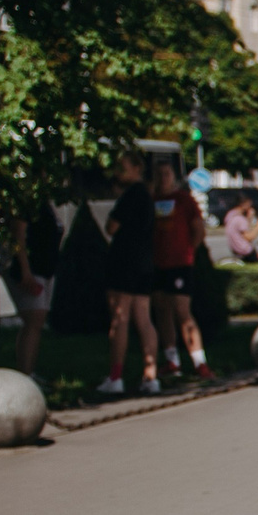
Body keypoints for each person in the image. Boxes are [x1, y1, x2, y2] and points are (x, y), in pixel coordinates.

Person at [97, 152, 161, 397]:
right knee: (143, 318)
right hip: (144, 263)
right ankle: (150, 375)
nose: (118, 173)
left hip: (124, 263)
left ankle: (115, 377)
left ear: (136, 168)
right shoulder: (146, 196)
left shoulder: (131, 195)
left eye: (122, 167)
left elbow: (111, 227)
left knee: (120, 318)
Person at [148, 161, 211, 380]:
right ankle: (172, 360)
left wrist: (189, 252)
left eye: (167, 173)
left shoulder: (184, 200)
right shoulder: (152, 201)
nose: (163, 178)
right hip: (158, 264)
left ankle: (199, 363)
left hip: (180, 264)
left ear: (174, 177)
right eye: (159, 174)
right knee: (162, 311)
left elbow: (198, 229)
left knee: (182, 311)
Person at [5, 203, 59, 376]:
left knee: (37, 321)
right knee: (33, 319)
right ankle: (25, 373)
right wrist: (25, 271)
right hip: (30, 269)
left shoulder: (46, 205)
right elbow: (18, 237)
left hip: (45, 268)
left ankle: (29, 373)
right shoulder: (26, 203)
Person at [222, 194, 258, 264]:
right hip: (244, 249)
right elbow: (249, 237)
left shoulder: (230, 215)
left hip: (234, 247)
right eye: (249, 204)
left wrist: (249, 218)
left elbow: (243, 229)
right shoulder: (239, 219)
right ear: (244, 204)